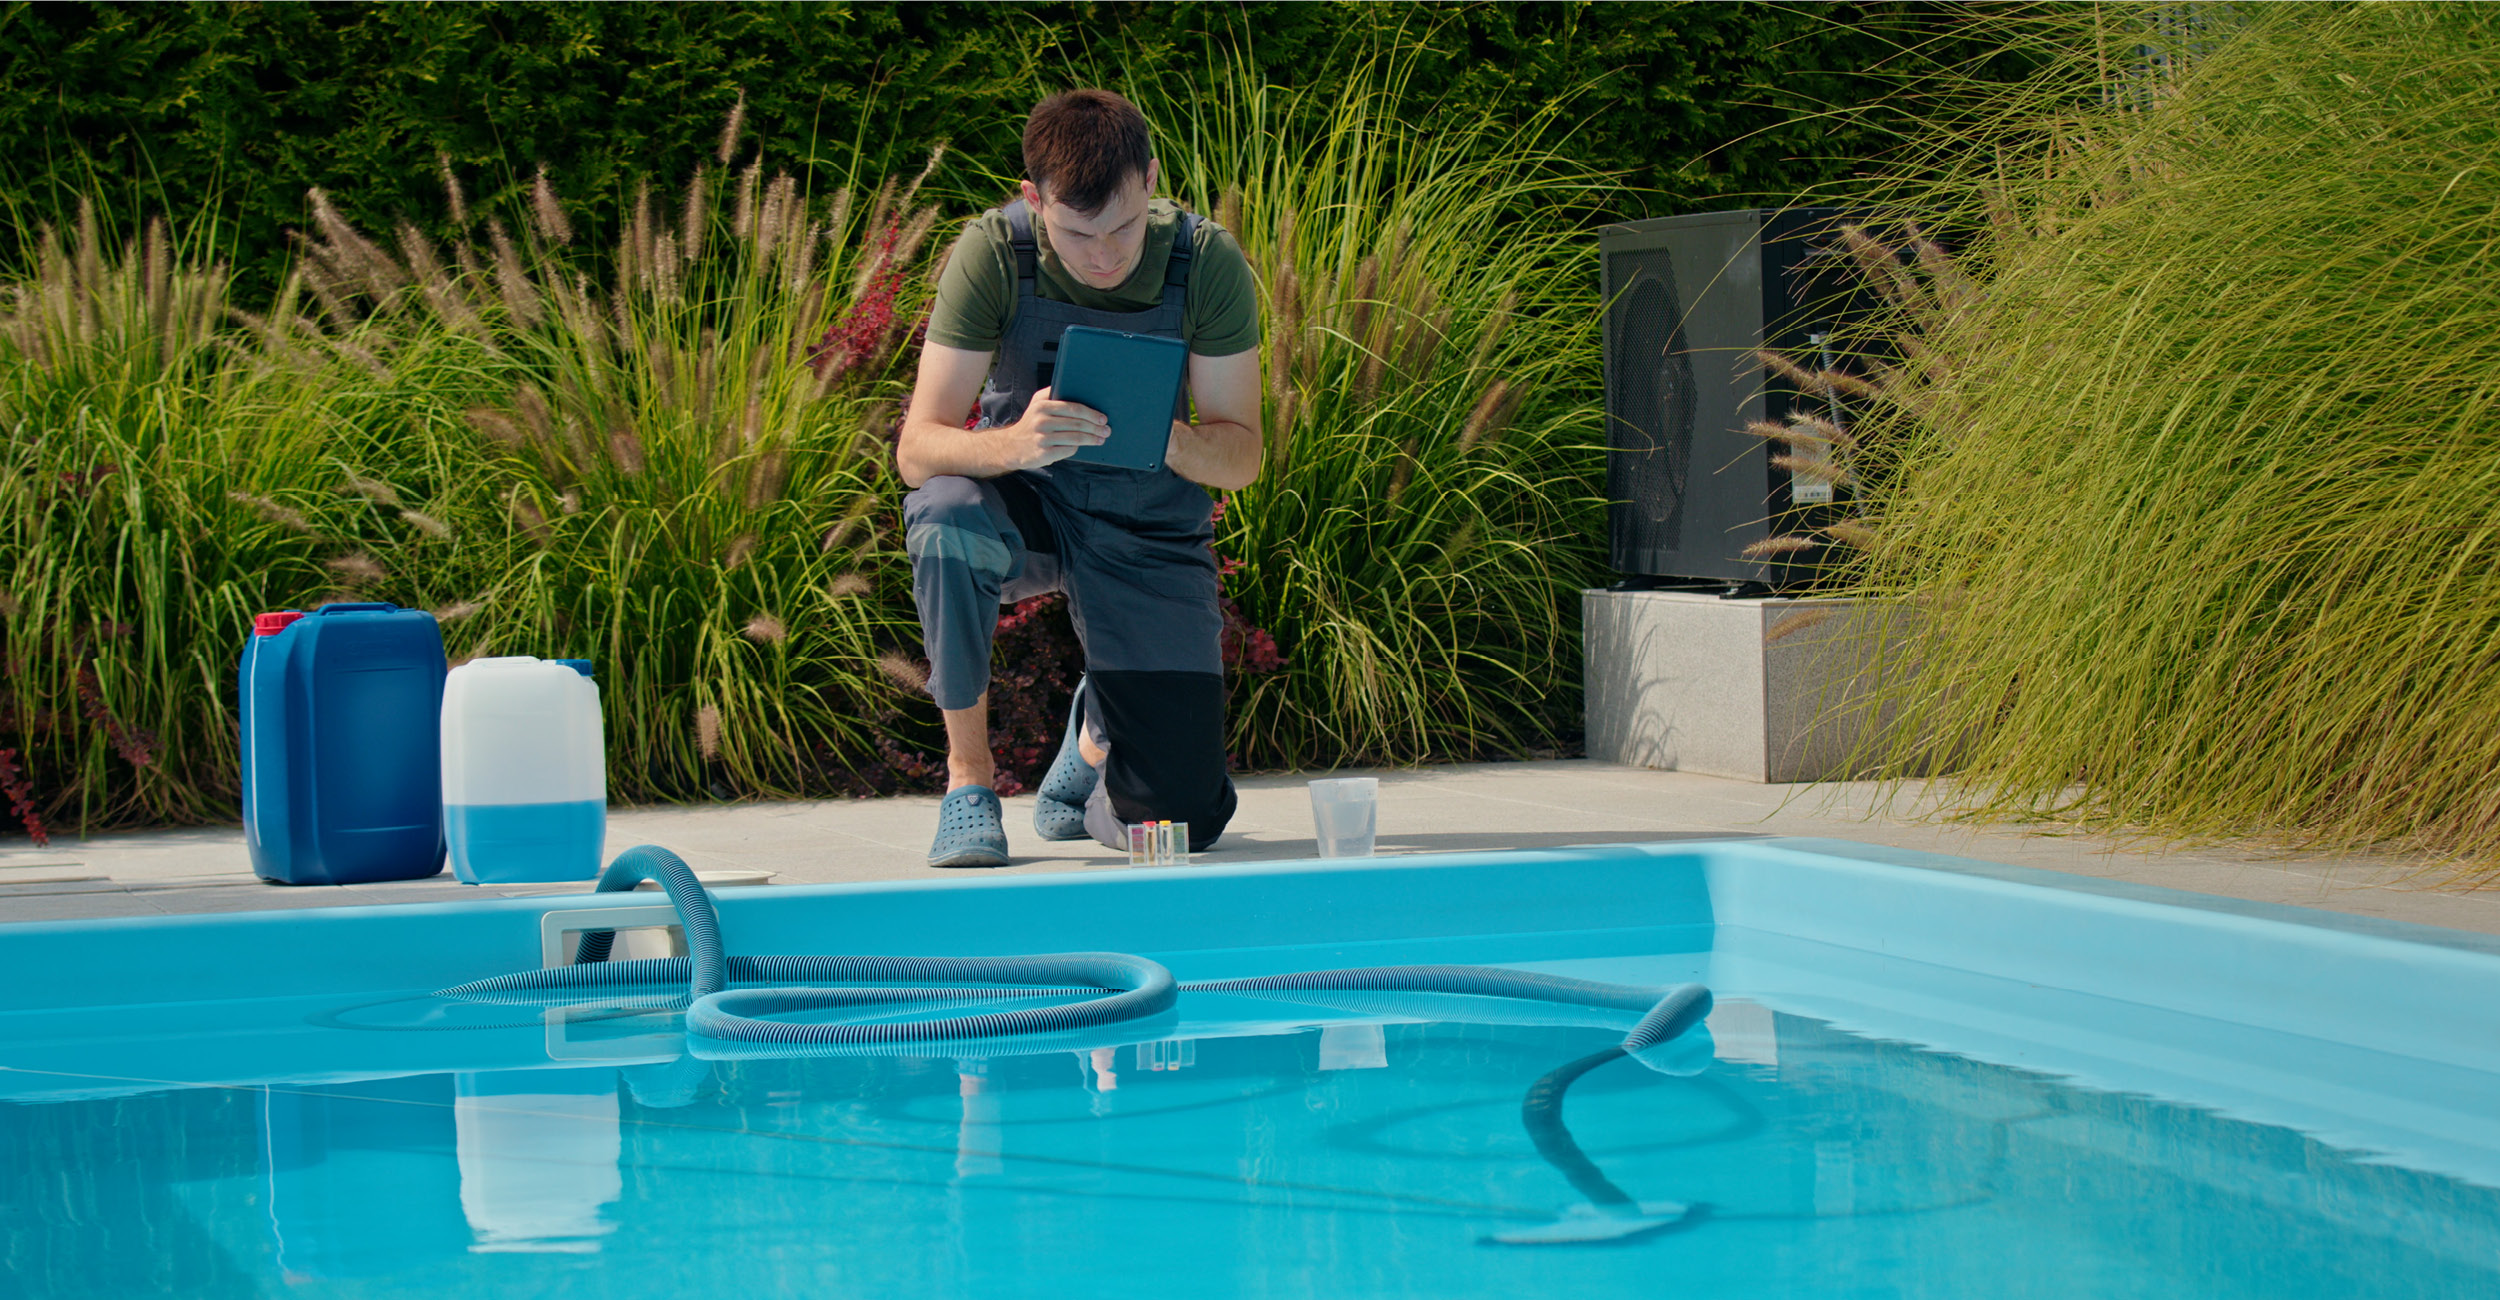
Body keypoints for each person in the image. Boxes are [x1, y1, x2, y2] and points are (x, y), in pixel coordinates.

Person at [896, 88, 1263, 868]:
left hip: (1150, 527)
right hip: (1028, 503)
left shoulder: (1208, 261)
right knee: (945, 513)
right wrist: (1014, 446)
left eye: (1125, 226)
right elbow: (917, 449)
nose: (1104, 254)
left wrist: (1168, 439)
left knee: (1177, 827)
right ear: (1034, 200)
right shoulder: (993, 251)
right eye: (1077, 232)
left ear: (1153, 179)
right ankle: (970, 784)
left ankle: (1097, 738)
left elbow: (1245, 456)